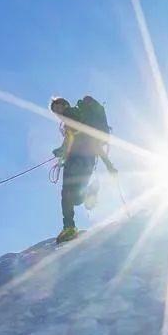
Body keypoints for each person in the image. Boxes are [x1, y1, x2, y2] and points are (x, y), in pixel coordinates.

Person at [50, 96, 117, 243]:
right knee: (75, 198)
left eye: (58, 107)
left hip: (77, 161)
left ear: (64, 105)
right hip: (88, 161)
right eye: (55, 111)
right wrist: (109, 165)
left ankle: (69, 227)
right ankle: (90, 192)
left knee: (67, 193)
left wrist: (62, 151)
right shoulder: (78, 118)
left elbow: (72, 140)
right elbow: (92, 142)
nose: (58, 112)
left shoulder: (70, 116)